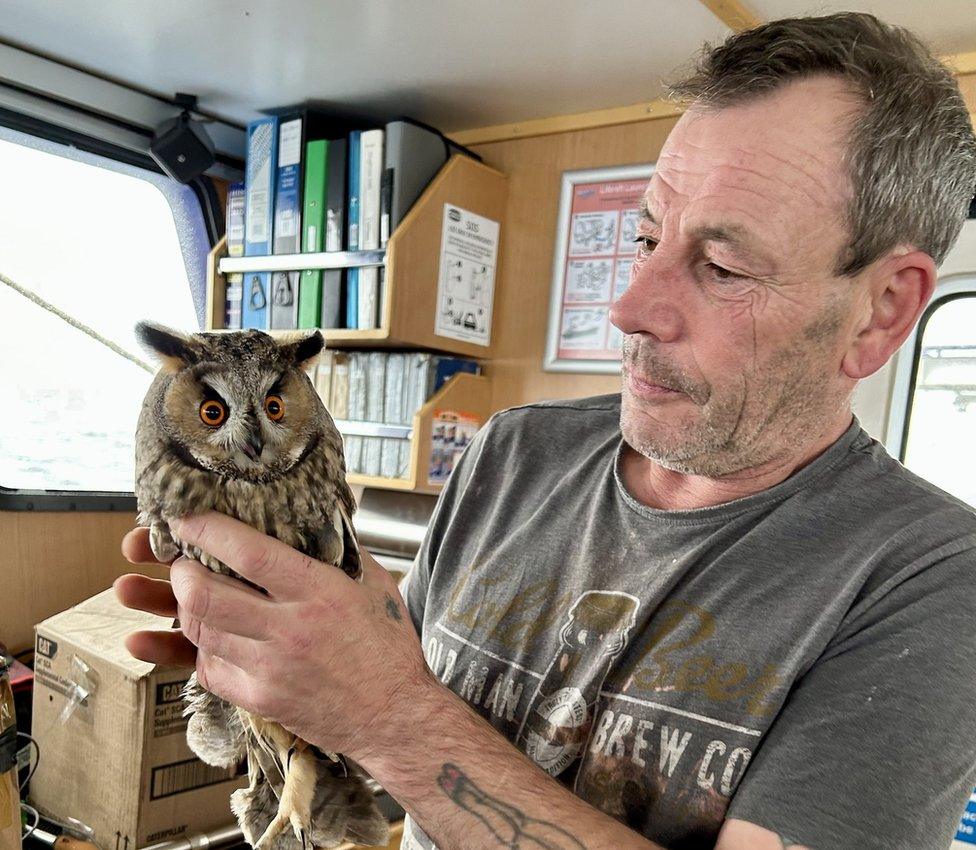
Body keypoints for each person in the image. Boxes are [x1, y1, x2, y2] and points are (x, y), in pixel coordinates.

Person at [116, 12, 976, 850]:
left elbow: (397, 712)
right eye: (645, 238)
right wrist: (281, 662)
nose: (630, 306)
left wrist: (384, 715)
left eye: (722, 267)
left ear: (883, 309)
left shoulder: (933, 585)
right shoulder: (514, 451)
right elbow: (398, 701)